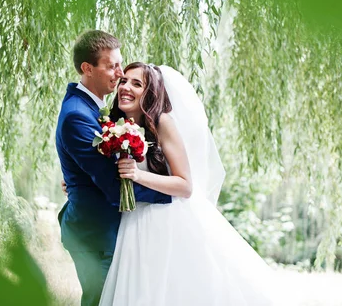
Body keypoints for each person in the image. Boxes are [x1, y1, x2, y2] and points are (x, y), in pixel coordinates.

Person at [98, 62, 277, 306]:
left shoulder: (163, 123)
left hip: (166, 219)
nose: (125, 87)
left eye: (136, 83)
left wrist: (138, 176)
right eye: (124, 81)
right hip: (134, 220)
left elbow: (185, 185)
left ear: (150, 93)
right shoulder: (116, 126)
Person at [55, 31, 171, 306]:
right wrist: (171, 195)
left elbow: (93, 168)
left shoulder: (93, 109)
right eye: (112, 66)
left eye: (120, 64)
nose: (120, 74)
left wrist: (76, 181)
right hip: (95, 234)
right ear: (87, 68)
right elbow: (112, 184)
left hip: (103, 228)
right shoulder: (77, 116)